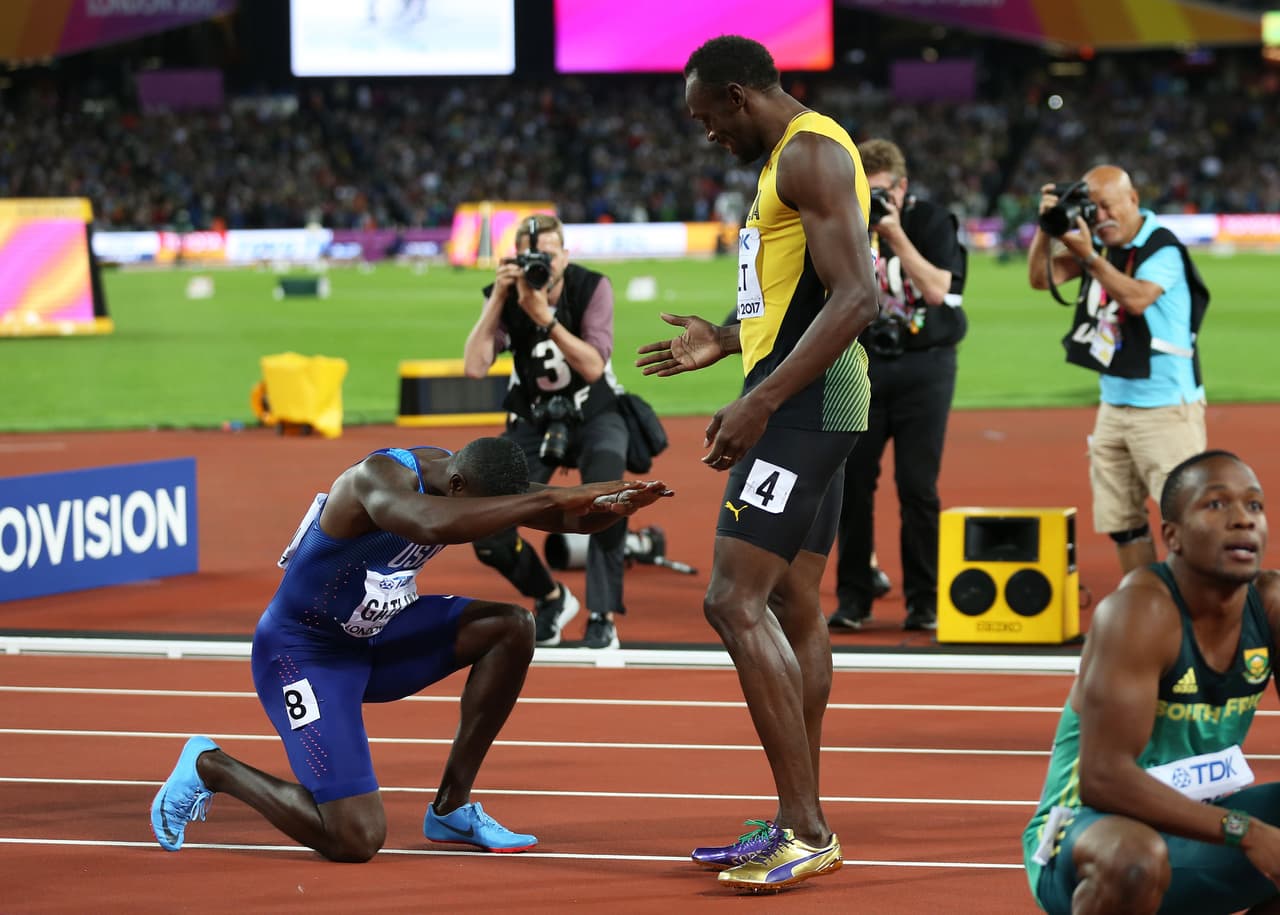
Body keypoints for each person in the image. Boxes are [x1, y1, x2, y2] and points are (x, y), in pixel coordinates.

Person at [150, 438, 670, 861]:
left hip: (377, 637)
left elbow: (565, 520)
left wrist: (610, 509)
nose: (489, 520)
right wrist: (557, 497)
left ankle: (451, 810)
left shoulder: (469, 479)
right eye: (482, 506)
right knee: (354, 838)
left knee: (511, 626)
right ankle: (210, 767)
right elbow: (430, 523)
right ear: (459, 485)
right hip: (303, 654)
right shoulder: (379, 478)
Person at [636, 35, 879, 892]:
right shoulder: (794, 154)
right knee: (792, 600)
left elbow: (860, 294)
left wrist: (762, 399)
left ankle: (806, 827)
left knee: (730, 599)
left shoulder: (808, 153)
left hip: (805, 407)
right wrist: (727, 341)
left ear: (739, 95)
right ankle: (795, 815)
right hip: (816, 400)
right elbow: (801, 295)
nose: (706, 135)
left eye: (708, 119)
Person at [1022, 450, 1280, 915]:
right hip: (1089, 833)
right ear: (1172, 536)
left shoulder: (1271, 606)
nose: (1242, 520)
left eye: (1255, 506)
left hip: (1197, 825)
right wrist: (1248, 830)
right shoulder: (1138, 613)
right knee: (1135, 859)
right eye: (1216, 505)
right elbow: (1103, 779)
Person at [1028, 165, 1209, 576]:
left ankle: (1192, 620)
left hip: (1165, 409)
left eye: (1108, 206)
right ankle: (1145, 608)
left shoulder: (1160, 247)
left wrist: (1089, 255)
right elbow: (1042, 278)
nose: (1101, 216)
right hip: (1114, 404)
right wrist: (1047, 227)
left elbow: (1138, 299)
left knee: (1186, 522)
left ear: (1133, 199)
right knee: (1123, 524)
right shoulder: (1102, 244)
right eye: (1094, 208)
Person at [463, 213, 631, 649]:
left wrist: (546, 319)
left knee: (607, 493)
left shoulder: (592, 287)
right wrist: (498, 299)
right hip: (535, 417)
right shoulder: (506, 293)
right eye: (531, 257)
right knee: (483, 510)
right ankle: (551, 597)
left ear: (566, 256)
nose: (542, 266)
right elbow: (475, 366)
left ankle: (602, 614)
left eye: (550, 256)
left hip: (593, 411)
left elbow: (595, 366)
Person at [827, 138, 968, 634]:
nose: (873, 201)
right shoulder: (843, 223)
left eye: (882, 191)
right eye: (863, 192)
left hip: (925, 367)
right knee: (852, 485)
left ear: (903, 187)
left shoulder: (933, 222)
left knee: (917, 487)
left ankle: (925, 601)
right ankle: (853, 598)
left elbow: (939, 290)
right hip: (860, 365)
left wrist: (893, 231)